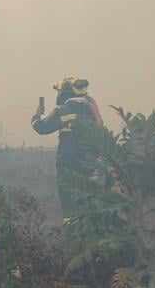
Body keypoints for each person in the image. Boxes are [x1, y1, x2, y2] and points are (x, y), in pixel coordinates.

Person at [31, 77, 104, 220]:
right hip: (90, 162)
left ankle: (71, 231)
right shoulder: (91, 109)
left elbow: (41, 127)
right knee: (88, 199)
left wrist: (37, 114)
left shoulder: (63, 109)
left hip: (68, 162)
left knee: (69, 202)